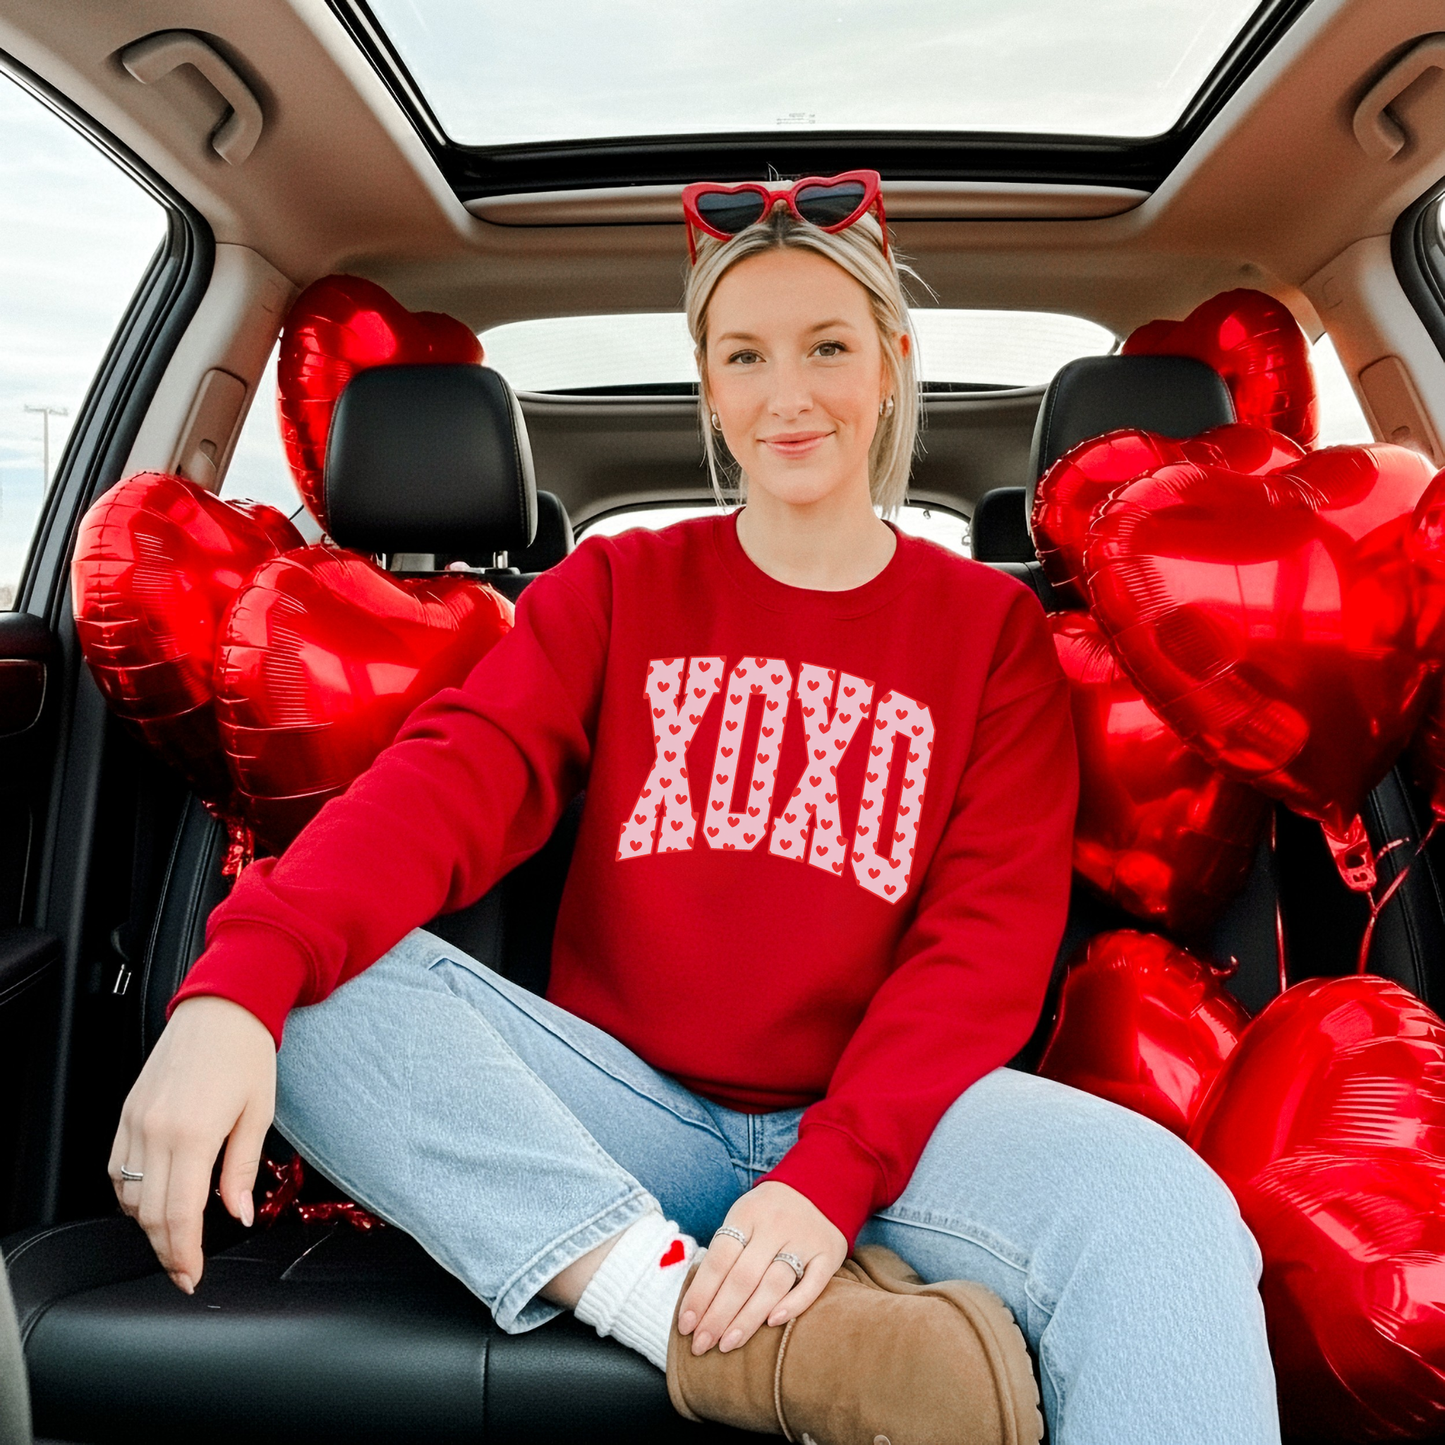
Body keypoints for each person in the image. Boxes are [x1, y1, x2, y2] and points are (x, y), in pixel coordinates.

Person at [108, 172, 1281, 1444]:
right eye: (745, 354)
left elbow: (981, 947)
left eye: (826, 345)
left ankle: (763, 1288)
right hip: (627, 1121)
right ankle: (690, 1320)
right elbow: (443, 783)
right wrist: (231, 989)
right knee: (307, 988)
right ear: (708, 388)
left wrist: (826, 1181)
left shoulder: (988, 630)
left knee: (1161, 1210)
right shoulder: (615, 588)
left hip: (897, 1134)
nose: (787, 393)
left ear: (889, 363)